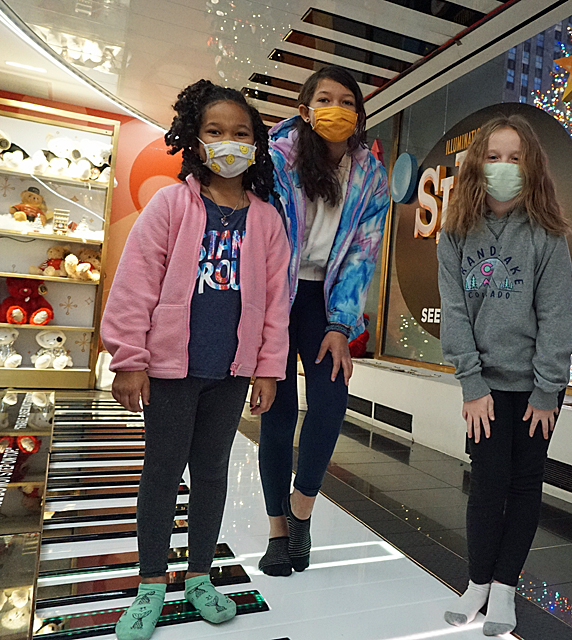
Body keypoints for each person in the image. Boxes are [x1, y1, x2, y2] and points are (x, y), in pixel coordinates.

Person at [101, 79, 290, 640]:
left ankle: (200, 576)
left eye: (241, 133)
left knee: (211, 474)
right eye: (215, 131)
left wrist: (268, 367)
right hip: (170, 372)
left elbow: (276, 303)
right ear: (196, 138)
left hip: (229, 374)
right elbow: (136, 282)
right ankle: (150, 584)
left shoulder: (267, 221)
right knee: (162, 472)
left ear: (255, 144)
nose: (229, 141)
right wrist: (129, 358)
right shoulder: (171, 205)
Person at [437, 115, 572, 636]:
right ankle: (478, 582)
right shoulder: (455, 233)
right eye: (493, 157)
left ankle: (504, 589)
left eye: (515, 158)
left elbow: (558, 317)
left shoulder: (547, 234)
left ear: (531, 166)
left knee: (523, 485)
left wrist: (546, 390)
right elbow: (454, 312)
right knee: (486, 484)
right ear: (477, 165)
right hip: (486, 386)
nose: (503, 167)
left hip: (539, 387)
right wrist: (471, 384)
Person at [257, 65, 389, 576]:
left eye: (347, 102)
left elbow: (363, 252)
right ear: (305, 110)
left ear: (359, 114)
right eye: (325, 100)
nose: (337, 109)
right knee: (278, 410)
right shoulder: (276, 159)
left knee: (331, 401)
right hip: (275, 295)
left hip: (325, 299)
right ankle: (277, 532)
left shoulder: (370, 175)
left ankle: (301, 511)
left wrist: (340, 323)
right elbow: (260, 238)